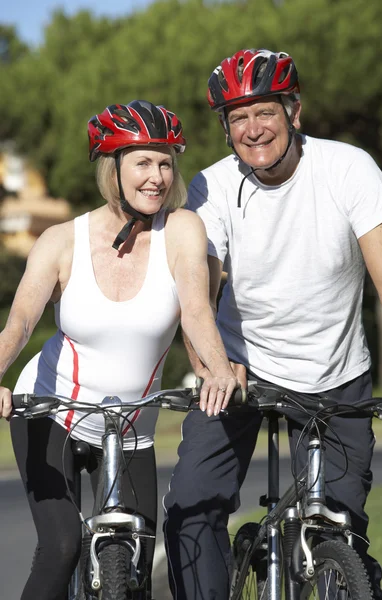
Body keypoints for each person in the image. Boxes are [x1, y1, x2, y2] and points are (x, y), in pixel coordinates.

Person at [163, 49, 382, 600]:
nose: (253, 129)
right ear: (225, 128)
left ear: (294, 112)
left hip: (337, 374)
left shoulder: (348, 168)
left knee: (343, 535)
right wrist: (212, 366)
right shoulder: (209, 190)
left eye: (265, 112)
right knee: (192, 509)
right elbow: (197, 298)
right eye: (238, 118)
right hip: (239, 371)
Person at [0, 99, 238, 600]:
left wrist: (218, 371)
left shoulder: (182, 230)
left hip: (132, 428)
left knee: (132, 566)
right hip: (52, 411)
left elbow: (196, 310)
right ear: (113, 168)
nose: (158, 177)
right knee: (62, 545)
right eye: (143, 162)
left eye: (166, 162)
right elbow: (19, 324)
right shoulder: (61, 240)